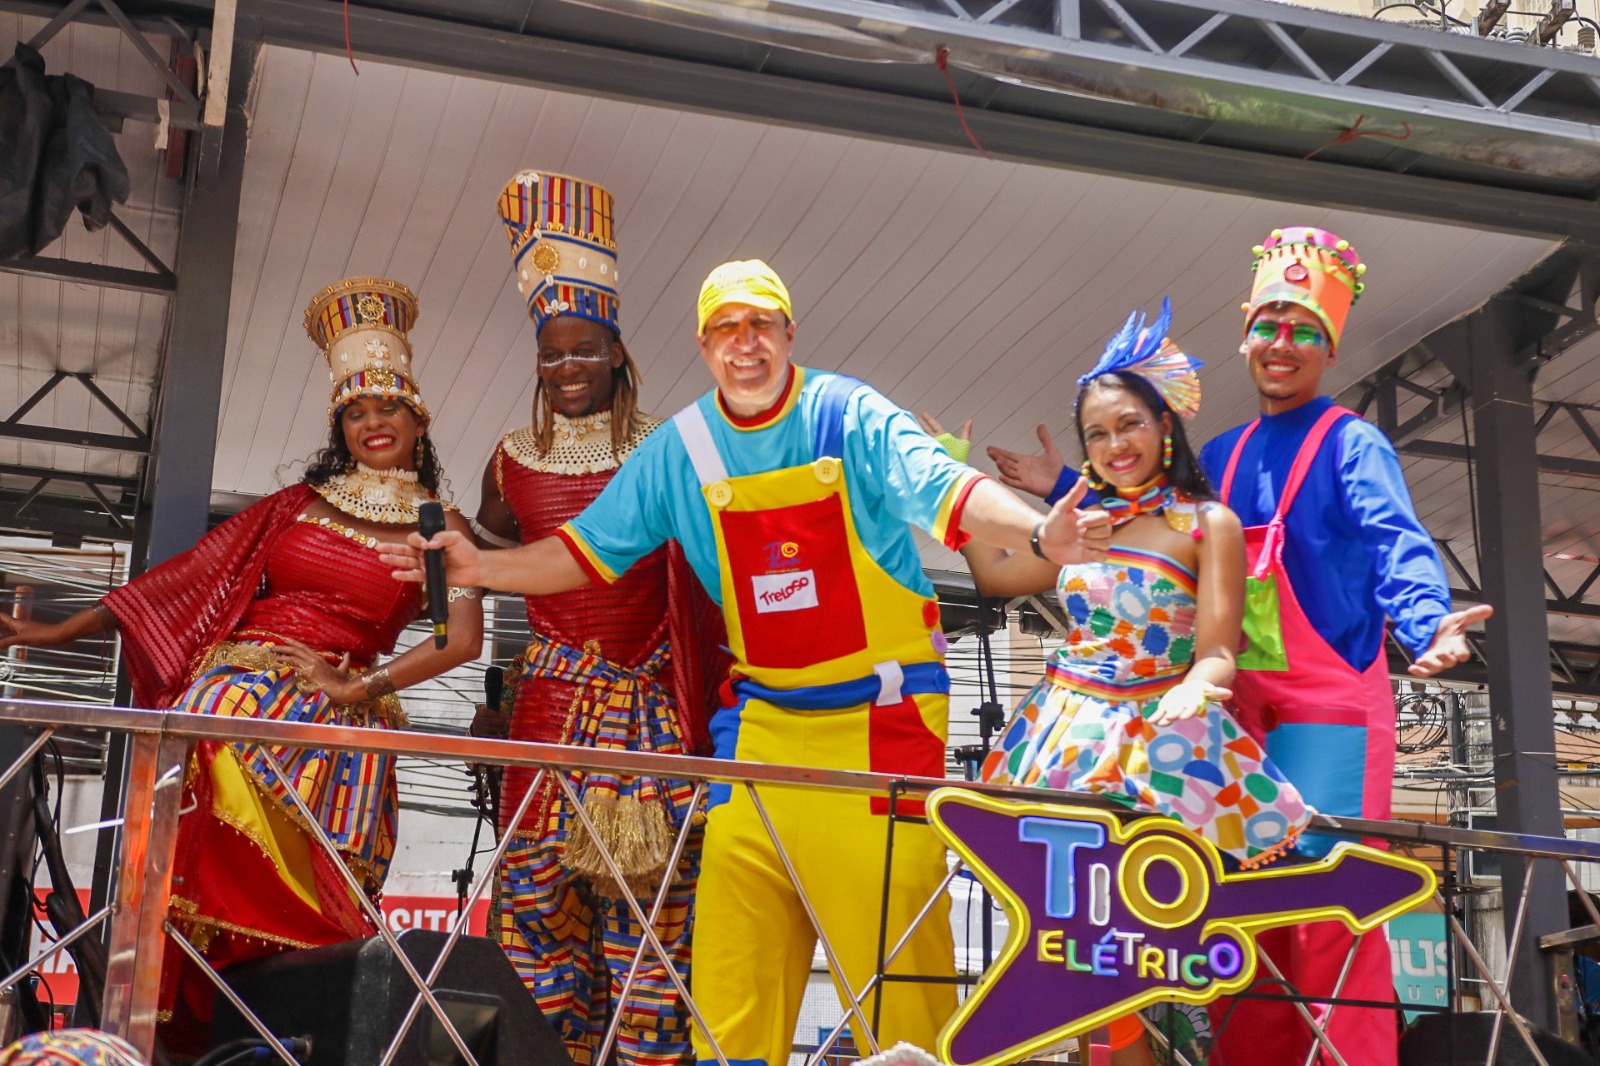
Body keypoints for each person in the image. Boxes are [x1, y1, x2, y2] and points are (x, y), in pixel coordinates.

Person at [382, 258, 1113, 1066]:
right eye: (726, 328)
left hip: (879, 729)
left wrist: (1041, 532)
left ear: (789, 333)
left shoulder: (847, 414)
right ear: (703, 346)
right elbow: (585, 552)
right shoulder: (682, 447)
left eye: (761, 323)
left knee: (899, 989)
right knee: (731, 984)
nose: (746, 342)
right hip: (761, 731)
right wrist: (481, 568)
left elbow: (948, 490)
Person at [988, 230, 1489, 1065]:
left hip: (1328, 710)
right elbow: (1149, 516)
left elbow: (1393, 538)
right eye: (1268, 325)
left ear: (1330, 347)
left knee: (1327, 911)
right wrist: (1065, 488)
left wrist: (1426, 619)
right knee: (1237, 919)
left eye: (1303, 330)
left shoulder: (1351, 443)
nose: (1281, 344)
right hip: (1233, 711)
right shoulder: (1223, 455)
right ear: (1244, 335)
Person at [0, 277, 484, 1053]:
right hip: (230, 700)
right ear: (340, 426)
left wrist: (355, 684)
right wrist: (54, 633)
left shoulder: (440, 524)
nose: (371, 423)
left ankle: (282, 1040)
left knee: (309, 916)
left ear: (418, 416)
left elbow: (459, 641)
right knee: (187, 853)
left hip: (335, 728)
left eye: (387, 407)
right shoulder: (296, 504)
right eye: (355, 412)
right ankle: (184, 1044)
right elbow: (179, 582)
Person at [951, 300, 1310, 1066]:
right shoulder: (1085, 523)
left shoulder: (1206, 524)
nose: (1115, 445)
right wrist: (951, 482)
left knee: (1147, 940)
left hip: (1159, 745)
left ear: (1165, 426)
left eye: (1128, 425)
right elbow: (996, 577)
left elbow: (1219, 652)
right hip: (1067, 736)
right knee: (1079, 937)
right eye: (1098, 434)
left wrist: (1196, 689)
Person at [473, 170, 725, 1066]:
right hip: (544, 718)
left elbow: (714, 581)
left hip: (648, 726)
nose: (567, 368)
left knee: (651, 941)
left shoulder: (670, 447)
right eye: (551, 355)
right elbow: (482, 562)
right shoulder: (510, 459)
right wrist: (487, 688)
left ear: (617, 352)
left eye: (584, 350)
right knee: (536, 923)